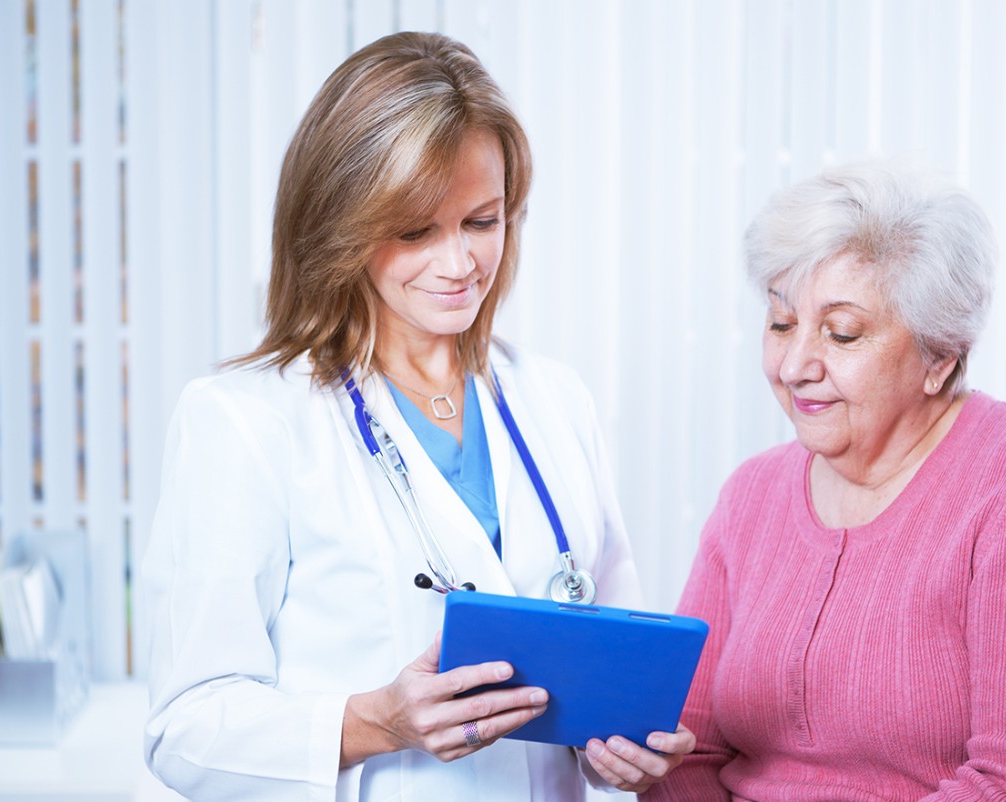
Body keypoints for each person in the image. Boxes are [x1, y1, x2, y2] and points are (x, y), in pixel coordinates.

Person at [141, 31, 691, 801]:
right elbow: (185, 727)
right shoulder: (248, 421)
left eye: (481, 221)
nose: (460, 263)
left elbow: (611, 663)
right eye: (414, 231)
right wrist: (378, 723)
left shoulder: (554, 401)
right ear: (341, 225)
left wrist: (621, 749)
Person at [644, 161, 1006, 801]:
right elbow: (690, 752)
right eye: (780, 324)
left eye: (842, 332)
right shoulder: (751, 494)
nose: (795, 365)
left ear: (939, 356)